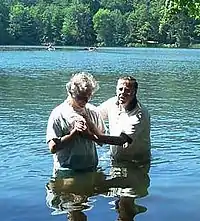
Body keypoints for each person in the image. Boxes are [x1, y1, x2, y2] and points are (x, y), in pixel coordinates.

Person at [46, 72, 131, 177]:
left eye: (88, 96)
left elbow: (101, 141)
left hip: (91, 168)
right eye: (81, 97)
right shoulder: (58, 114)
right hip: (66, 170)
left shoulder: (92, 111)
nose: (85, 101)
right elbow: (53, 148)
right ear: (71, 93)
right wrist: (73, 134)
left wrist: (89, 125)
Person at [97, 76, 151, 163]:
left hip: (136, 162)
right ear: (116, 89)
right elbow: (96, 115)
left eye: (127, 90)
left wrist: (94, 137)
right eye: (120, 89)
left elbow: (121, 140)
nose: (123, 93)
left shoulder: (139, 114)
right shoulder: (112, 103)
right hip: (115, 158)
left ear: (134, 92)